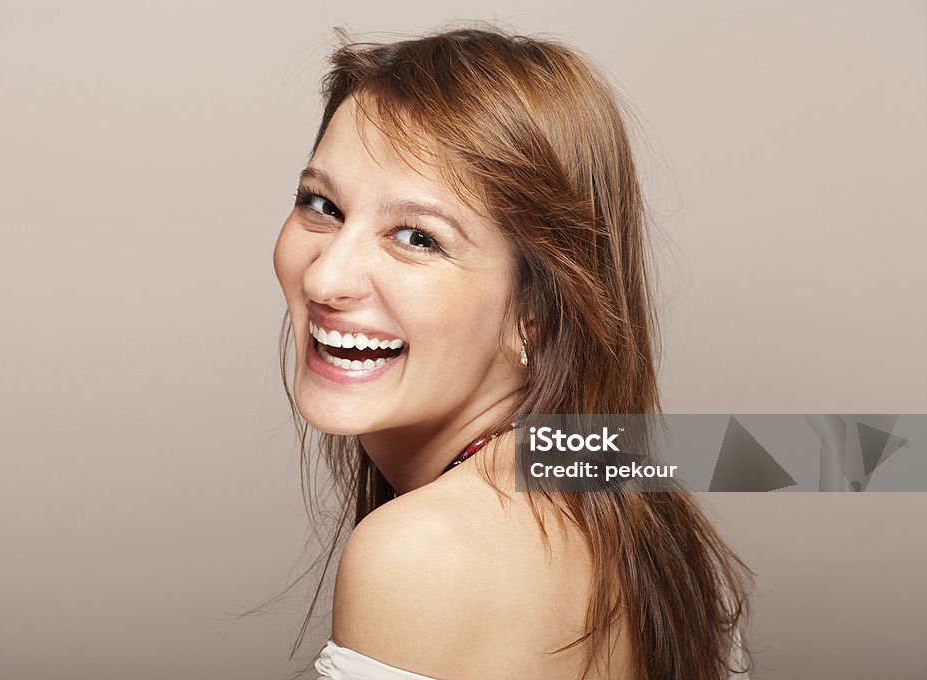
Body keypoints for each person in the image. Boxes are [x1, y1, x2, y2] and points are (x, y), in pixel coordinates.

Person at [272, 26, 752, 680]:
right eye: (321, 204)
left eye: (416, 237)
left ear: (537, 311)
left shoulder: (419, 555)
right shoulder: (649, 513)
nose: (324, 279)